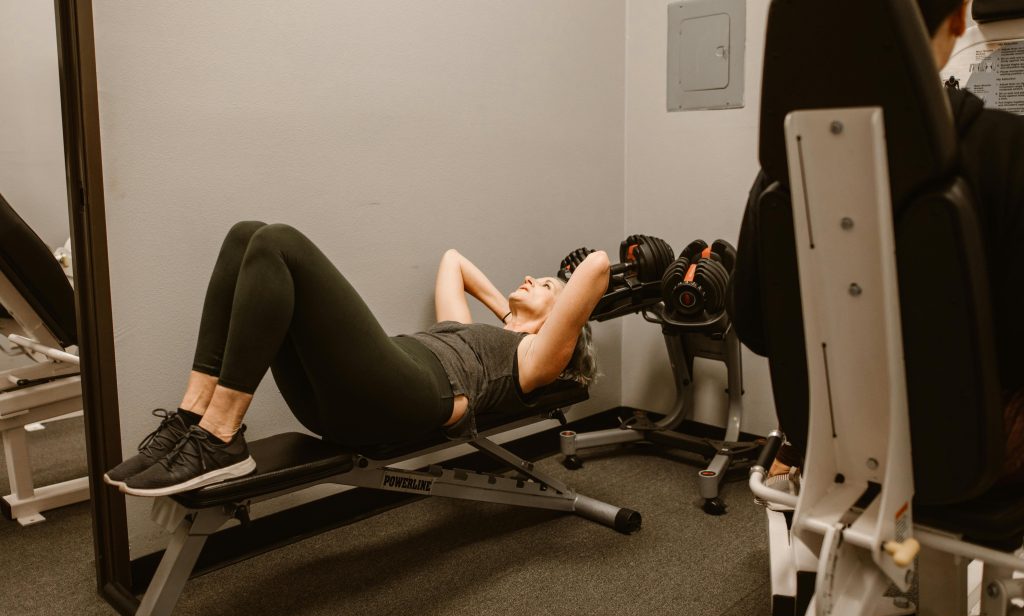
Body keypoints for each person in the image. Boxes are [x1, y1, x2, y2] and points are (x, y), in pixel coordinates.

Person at [732, 0, 1024, 489]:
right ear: (958, 17)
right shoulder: (1008, 151)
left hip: (826, 441)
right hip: (974, 457)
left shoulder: (781, 168)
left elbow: (755, 326)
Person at [104, 221, 608, 496]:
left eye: (545, 285)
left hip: (408, 394)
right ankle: (195, 417)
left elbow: (598, 266)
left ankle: (221, 437)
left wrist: (542, 323)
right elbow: (453, 260)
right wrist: (510, 313)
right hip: (352, 393)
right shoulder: (484, 331)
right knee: (245, 235)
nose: (529, 278)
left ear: (561, 320)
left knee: (279, 243)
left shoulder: (535, 359)